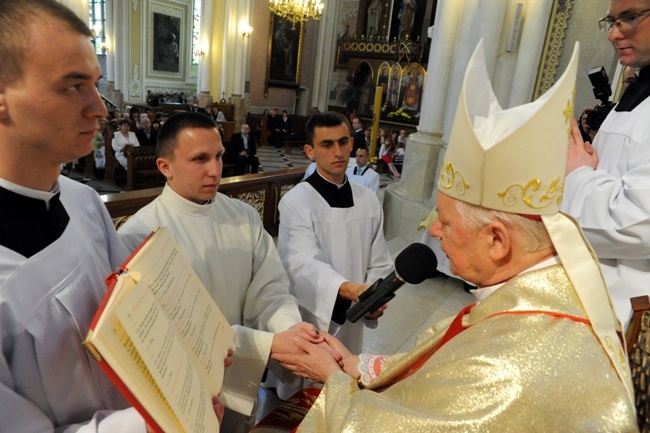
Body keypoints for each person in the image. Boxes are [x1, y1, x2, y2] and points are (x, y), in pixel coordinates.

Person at [270, 41, 637, 433]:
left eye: (445, 221)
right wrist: (353, 364)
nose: (433, 230)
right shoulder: (532, 301)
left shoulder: (511, 363)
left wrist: (335, 381)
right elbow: (441, 374)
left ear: (497, 240)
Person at [0, 1, 228, 431]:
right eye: (73, 86)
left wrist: (192, 353)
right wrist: (146, 425)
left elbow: (134, 310)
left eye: (96, 85)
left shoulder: (85, 202)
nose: (100, 108)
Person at [117, 112, 329, 433]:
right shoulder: (140, 236)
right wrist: (269, 345)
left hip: (240, 377)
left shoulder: (243, 216)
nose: (215, 170)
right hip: (182, 394)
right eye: (199, 159)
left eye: (218, 156)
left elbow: (270, 292)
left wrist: (292, 337)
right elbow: (169, 332)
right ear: (165, 167)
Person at [277, 112, 393, 360]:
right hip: (312, 314)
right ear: (310, 151)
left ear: (352, 144)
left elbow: (380, 261)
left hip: (356, 311)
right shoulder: (295, 202)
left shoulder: (368, 200)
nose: (338, 152)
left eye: (343, 142)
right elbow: (301, 264)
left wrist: (373, 300)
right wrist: (349, 289)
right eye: (327, 145)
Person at [562, 0, 650, 326]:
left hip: (626, 310)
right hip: (596, 291)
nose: (613, 34)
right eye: (610, 21)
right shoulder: (638, 91)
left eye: (628, 18)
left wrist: (577, 174)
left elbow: (637, 223)